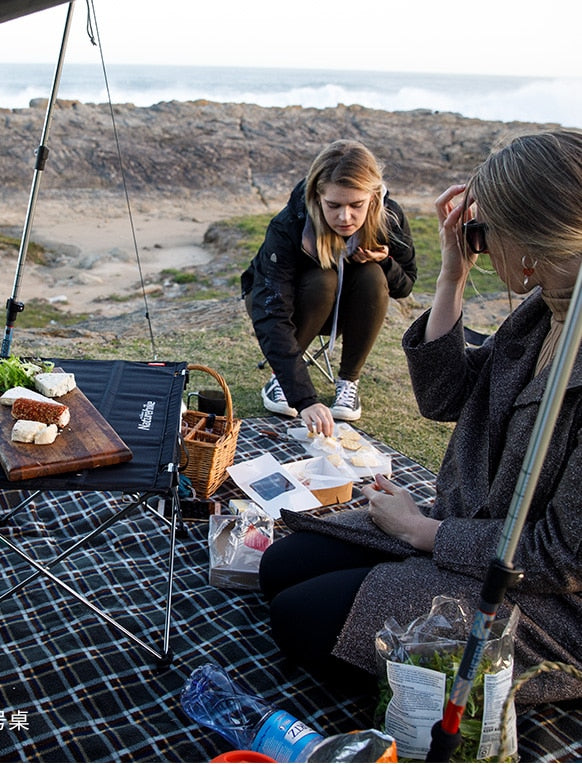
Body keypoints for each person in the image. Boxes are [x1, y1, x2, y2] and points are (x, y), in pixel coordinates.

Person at [258, 128, 582, 705]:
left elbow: (562, 557)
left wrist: (420, 532)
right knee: (281, 566)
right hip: (471, 529)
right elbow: (446, 397)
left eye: (482, 232)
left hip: (541, 598)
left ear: (535, 240)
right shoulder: (548, 308)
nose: (476, 243)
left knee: (297, 619)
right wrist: (451, 276)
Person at [241, 140, 416, 428]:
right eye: (333, 205)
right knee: (323, 279)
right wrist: (304, 398)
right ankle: (280, 382)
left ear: (373, 197)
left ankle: (348, 381)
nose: (344, 217)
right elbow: (270, 309)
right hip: (293, 304)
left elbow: (405, 285)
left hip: (349, 311)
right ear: (317, 196)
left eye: (356, 205)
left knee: (373, 275)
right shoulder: (289, 225)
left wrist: (385, 261)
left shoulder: (390, 218)